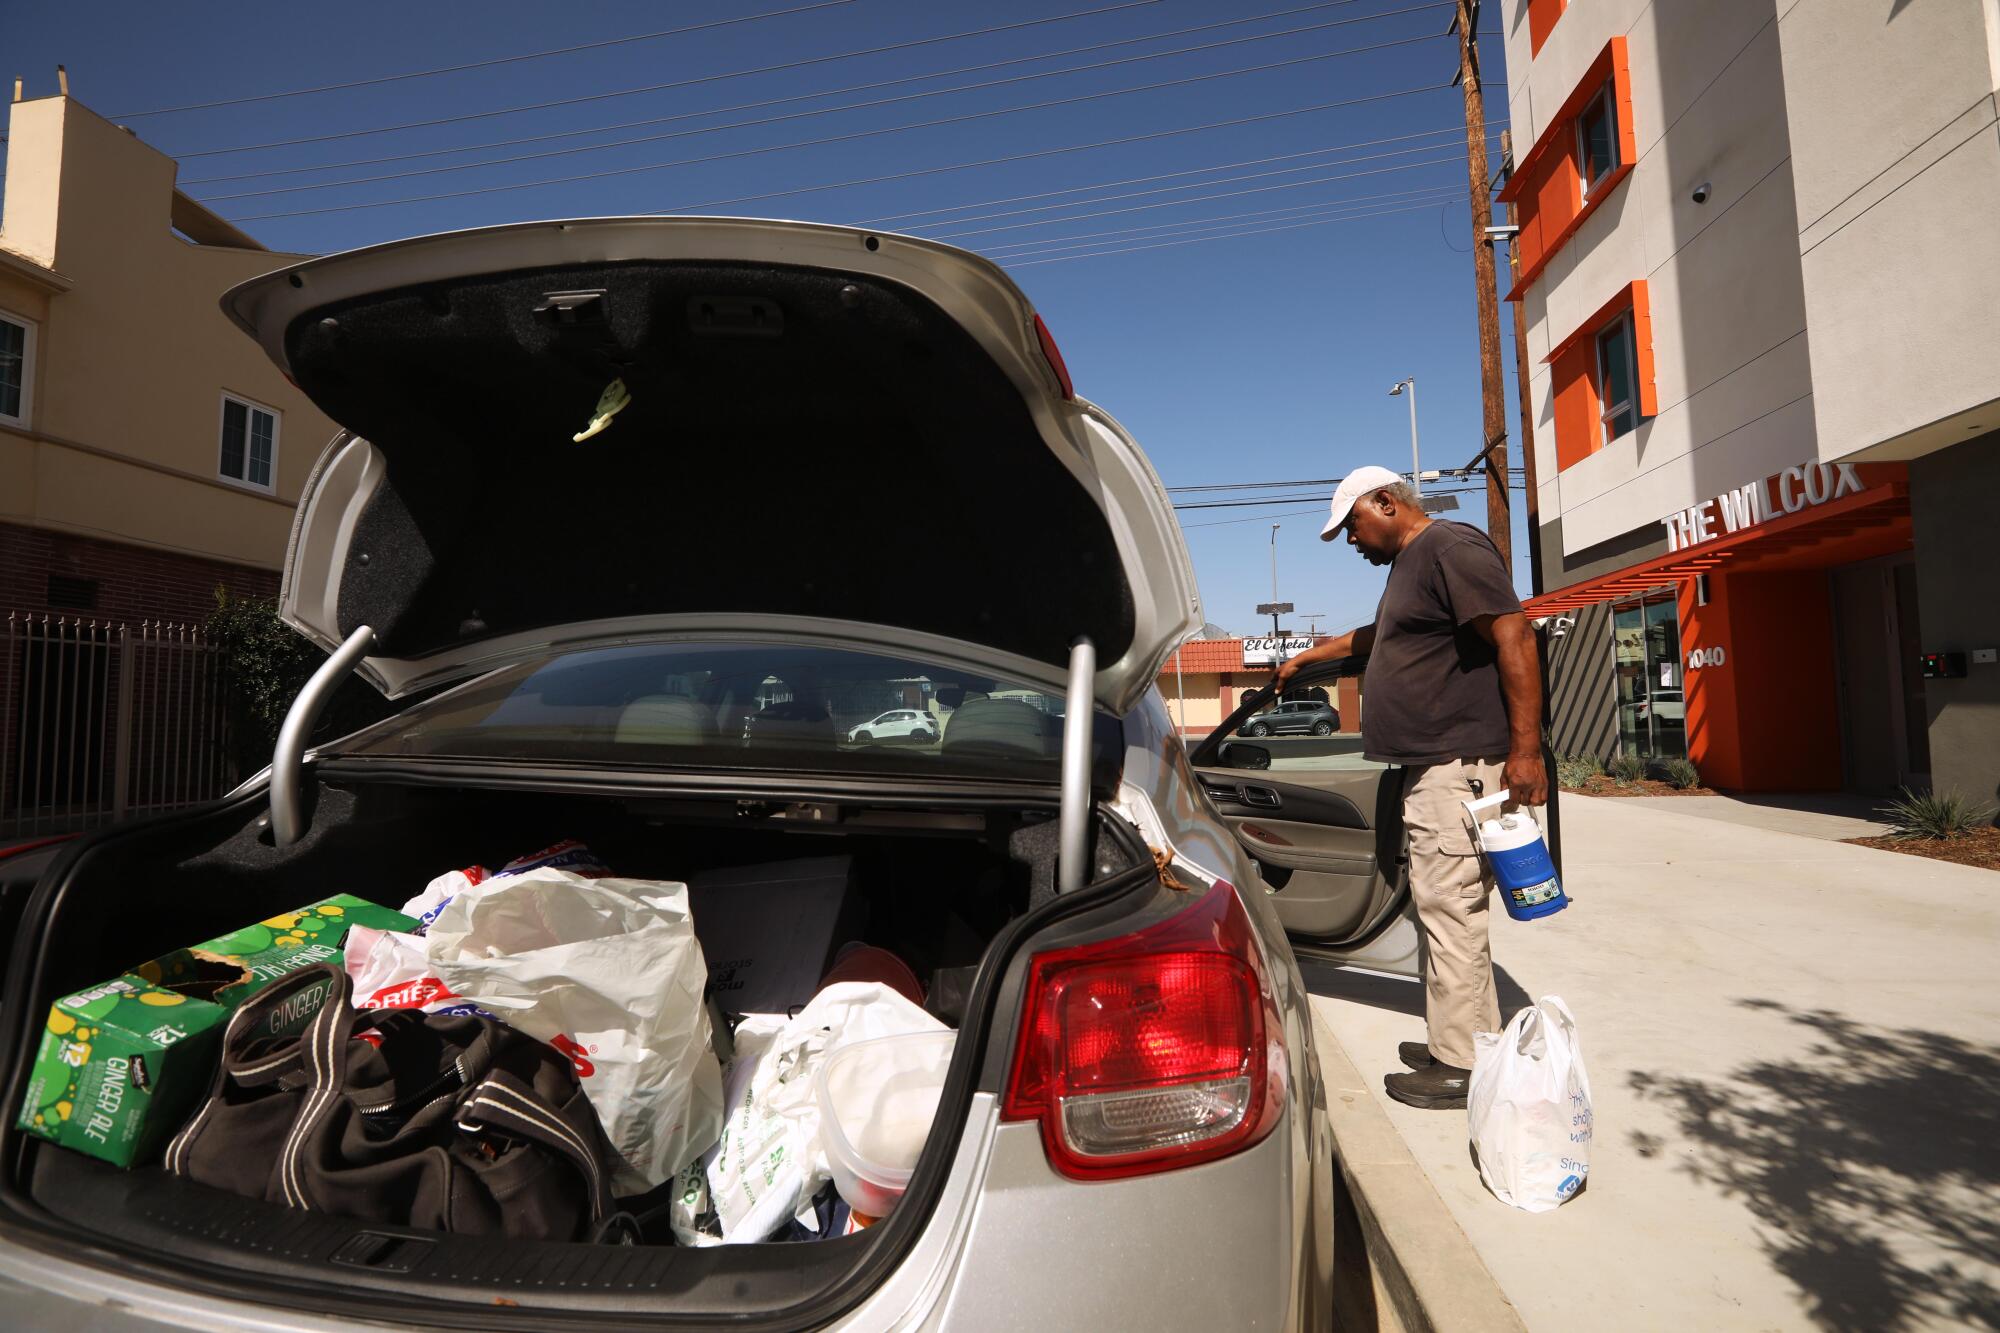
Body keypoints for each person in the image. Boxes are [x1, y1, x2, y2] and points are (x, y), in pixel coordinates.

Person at [1275, 465, 1547, 1110]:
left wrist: (1526, 752)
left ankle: (1462, 1065)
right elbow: (1382, 638)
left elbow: (1514, 633)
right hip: (1432, 765)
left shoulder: (1450, 546)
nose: (1351, 540)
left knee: (1452, 912)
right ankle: (1461, 1039)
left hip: (1458, 764)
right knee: (1441, 910)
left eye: (1352, 527)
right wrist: (1312, 656)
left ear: (1385, 502)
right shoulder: (1413, 565)